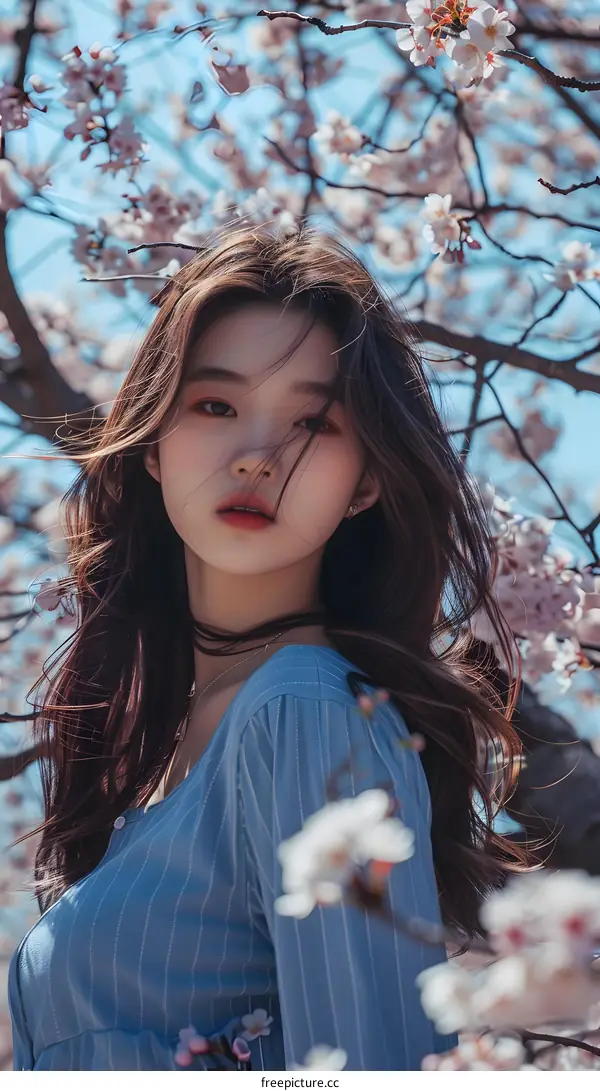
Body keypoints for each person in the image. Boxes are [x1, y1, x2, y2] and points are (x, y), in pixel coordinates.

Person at [7, 224, 534, 1071]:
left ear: (366, 479)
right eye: (215, 406)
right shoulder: (162, 757)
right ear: (151, 440)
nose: (257, 457)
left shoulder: (306, 712)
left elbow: (368, 1071)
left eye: (312, 423)